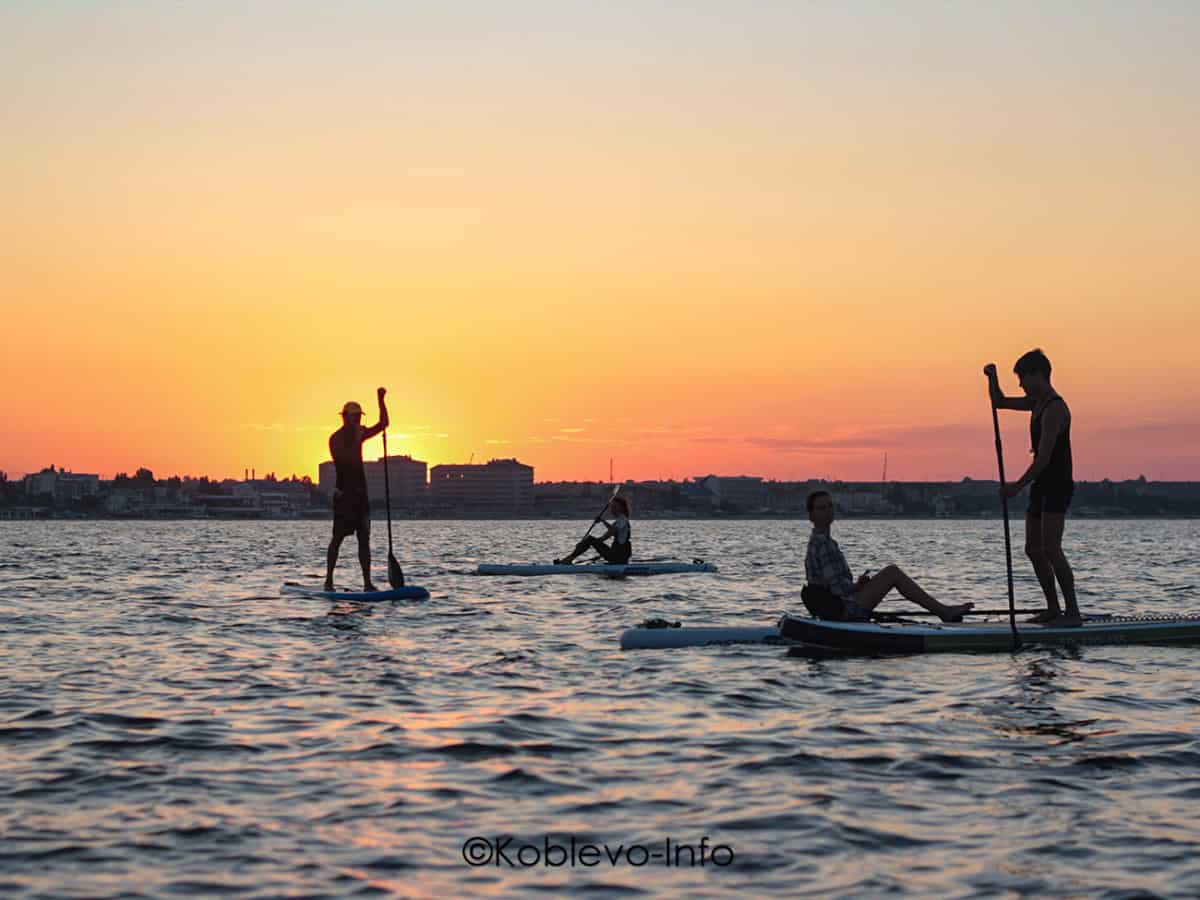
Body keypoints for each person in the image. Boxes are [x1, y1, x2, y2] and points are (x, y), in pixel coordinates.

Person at [985, 350, 1081, 626]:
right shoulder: (1035, 403)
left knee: (1052, 549)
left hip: (1057, 484)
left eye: (1023, 378)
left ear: (1038, 374)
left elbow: (1043, 459)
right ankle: (1053, 608)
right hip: (1041, 485)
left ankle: (1072, 612)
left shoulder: (1055, 409)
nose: (1021, 385)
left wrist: (1016, 486)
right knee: (1032, 549)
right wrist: (993, 377)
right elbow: (999, 402)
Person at [804, 490, 973, 622]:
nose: (828, 511)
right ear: (811, 515)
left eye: (830, 506)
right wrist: (858, 587)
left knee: (891, 572)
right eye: (821, 508)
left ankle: (943, 610)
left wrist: (859, 585)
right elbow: (837, 589)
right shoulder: (823, 544)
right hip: (846, 609)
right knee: (893, 573)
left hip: (840, 605)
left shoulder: (821, 541)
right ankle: (944, 611)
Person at [324, 388, 388, 591]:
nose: (358, 421)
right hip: (344, 495)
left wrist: (380, 401)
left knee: (364, 539)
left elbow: (384, 424)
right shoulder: (335, 439)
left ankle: (368, 583)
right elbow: (347, 459)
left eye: (359, 417)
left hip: (361, 496)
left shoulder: (358, 433)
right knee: (338, 538)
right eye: (355, 417)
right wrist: (359, 436)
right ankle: (329, 581)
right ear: (345, 418)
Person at [554, 496, 633, 565]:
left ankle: (568, 559)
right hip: (618, 556)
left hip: (618, 556)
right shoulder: (620, 521)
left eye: (615, 507)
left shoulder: (622, 519)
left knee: (590, 539)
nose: (612, 509)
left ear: (622, 508)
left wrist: (591, 542)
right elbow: (612, 530)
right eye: (612, 507)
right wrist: (602, 521)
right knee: (590, 540)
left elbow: (611, 532)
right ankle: (569, 558)